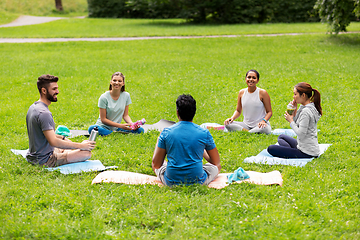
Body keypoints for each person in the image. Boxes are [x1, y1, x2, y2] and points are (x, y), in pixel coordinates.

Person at [26, 75, 95, 167]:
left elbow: (47, 135)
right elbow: (53, 142)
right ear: (44, 91)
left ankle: (66, 150)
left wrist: (63, 138)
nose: (57, 92)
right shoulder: (44, 113)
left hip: (34, 155)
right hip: (45, 160)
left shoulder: (33, 107)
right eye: (54, 89)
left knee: (68, 145)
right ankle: (67, 152)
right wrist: (80, 146)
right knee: (86, 154)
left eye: (57, 88)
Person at [152, 94, 221, 186]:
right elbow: (216, 162)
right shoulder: (204, 133)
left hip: (171, 181)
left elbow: (156, 164)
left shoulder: (166, 133)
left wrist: (158, 141)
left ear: (177, 112)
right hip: (197, 180)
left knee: (161, 165)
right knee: (217, 167)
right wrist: (203, 151)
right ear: (194, 112)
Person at [267, 82, 322, 158]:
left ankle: (289, 151)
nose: (293, 97)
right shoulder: (308, 107)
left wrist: (291, 121)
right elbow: (298, 122)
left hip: (307, 152)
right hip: (304, 146)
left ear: (303, 95)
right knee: (282, 137)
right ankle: (289, 151)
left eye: (295, 94)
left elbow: (301, 134)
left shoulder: (306, 111)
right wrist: (295, 110)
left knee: (271, 148)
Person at [88, 72, 144, 136]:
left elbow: (125, 115)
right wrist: (120, 126)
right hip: (103, 127)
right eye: (114, 80)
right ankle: (114, 134)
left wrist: (132, 125)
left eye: (119, 81)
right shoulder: (103, 97)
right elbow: (103, 119)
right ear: (111, 82)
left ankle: (113, 133)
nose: (117, 83)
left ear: (123, 83)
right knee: (91, 129)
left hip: (117, 128)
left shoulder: (126, 96)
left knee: (140, 130)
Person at [224, 69, 272, 134]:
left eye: (254, 78)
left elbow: (269, 112)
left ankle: (246, 132)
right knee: (227, 124)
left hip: (260, 125)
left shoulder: (262, 93)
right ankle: (250, 132)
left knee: (266, 129)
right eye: (249, 77)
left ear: (257, 80)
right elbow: (238, 111)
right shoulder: (241, 92)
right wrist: (232, 118)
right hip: (246, 125)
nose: (251, 79)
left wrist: (264, 121)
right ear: (245, 79)